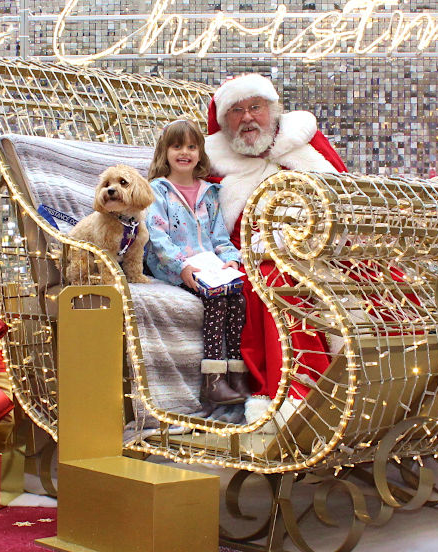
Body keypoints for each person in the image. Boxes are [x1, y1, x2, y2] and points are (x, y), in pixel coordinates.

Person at [204, 74, 348, 408]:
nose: (248, 118)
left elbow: (344, 196)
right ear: (225, 122)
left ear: (273, 110)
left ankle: (385, 376)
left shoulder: (307, 143)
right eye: (236, 111)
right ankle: (301, 394)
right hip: (259, 255)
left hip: (325, 245)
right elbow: (209, 225)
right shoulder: (214, 164)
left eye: (255, 107)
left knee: (375, 274)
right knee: (275, 283)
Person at [144, 119, 250, 406]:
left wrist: (230, 261)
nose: (185, 152)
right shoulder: (158, 190)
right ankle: (212, 380)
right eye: (177, 146)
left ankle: (237, 374)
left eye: (192, 146)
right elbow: (157, 236)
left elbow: (219, 236)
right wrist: (182, 266)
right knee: (216, 300)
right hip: (173, 267)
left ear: (200, 153)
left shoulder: (210, 193)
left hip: (209, 265)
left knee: (238, 297)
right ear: (164, 152)